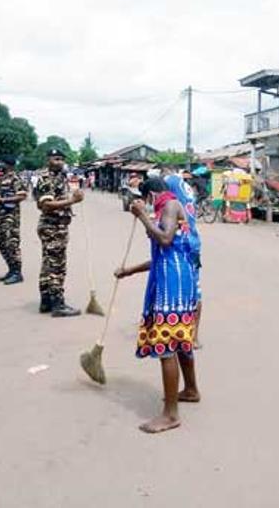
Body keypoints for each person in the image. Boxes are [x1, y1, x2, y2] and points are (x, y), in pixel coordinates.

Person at [115, 177, 200, 434]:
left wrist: (142, 215)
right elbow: (164, 255)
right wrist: (130, 271)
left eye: (146, 201)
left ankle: (171, 415)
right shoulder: (170, 207)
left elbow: (164, 239)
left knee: (166, 344)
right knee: (181, 340)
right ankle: (191, 389)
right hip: (177, 277)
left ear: (151, 195)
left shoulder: (170, 206)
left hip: (173, 285)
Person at [35, 149, 84, 316]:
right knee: (57, 266)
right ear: (48, 160)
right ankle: (58, 304)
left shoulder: (59, 177)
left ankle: (46, 301)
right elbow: (46, 205)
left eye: (62, 159)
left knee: (48, 265)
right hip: (52, 227)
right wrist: (72, 200)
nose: (60, 162)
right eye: (56, 159)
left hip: (57, 226)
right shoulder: (46, 178)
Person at [163, 170, 203, 350]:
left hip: (184, 244)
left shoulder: (169, 182)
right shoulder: (183, 186)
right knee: (194, 289)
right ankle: (192, 335)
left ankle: (189, 334)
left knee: (190, 290)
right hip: (192, 241)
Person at [0, 156, 28, 285]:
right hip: (0, 216)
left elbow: (22, 195)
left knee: (11, 244)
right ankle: (11, 269)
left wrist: (2, 200)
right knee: (2, 245)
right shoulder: (0, 179)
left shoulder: (15, 179)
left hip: (10, 217)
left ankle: (17, 273)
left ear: (9, 165)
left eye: (2, 163)